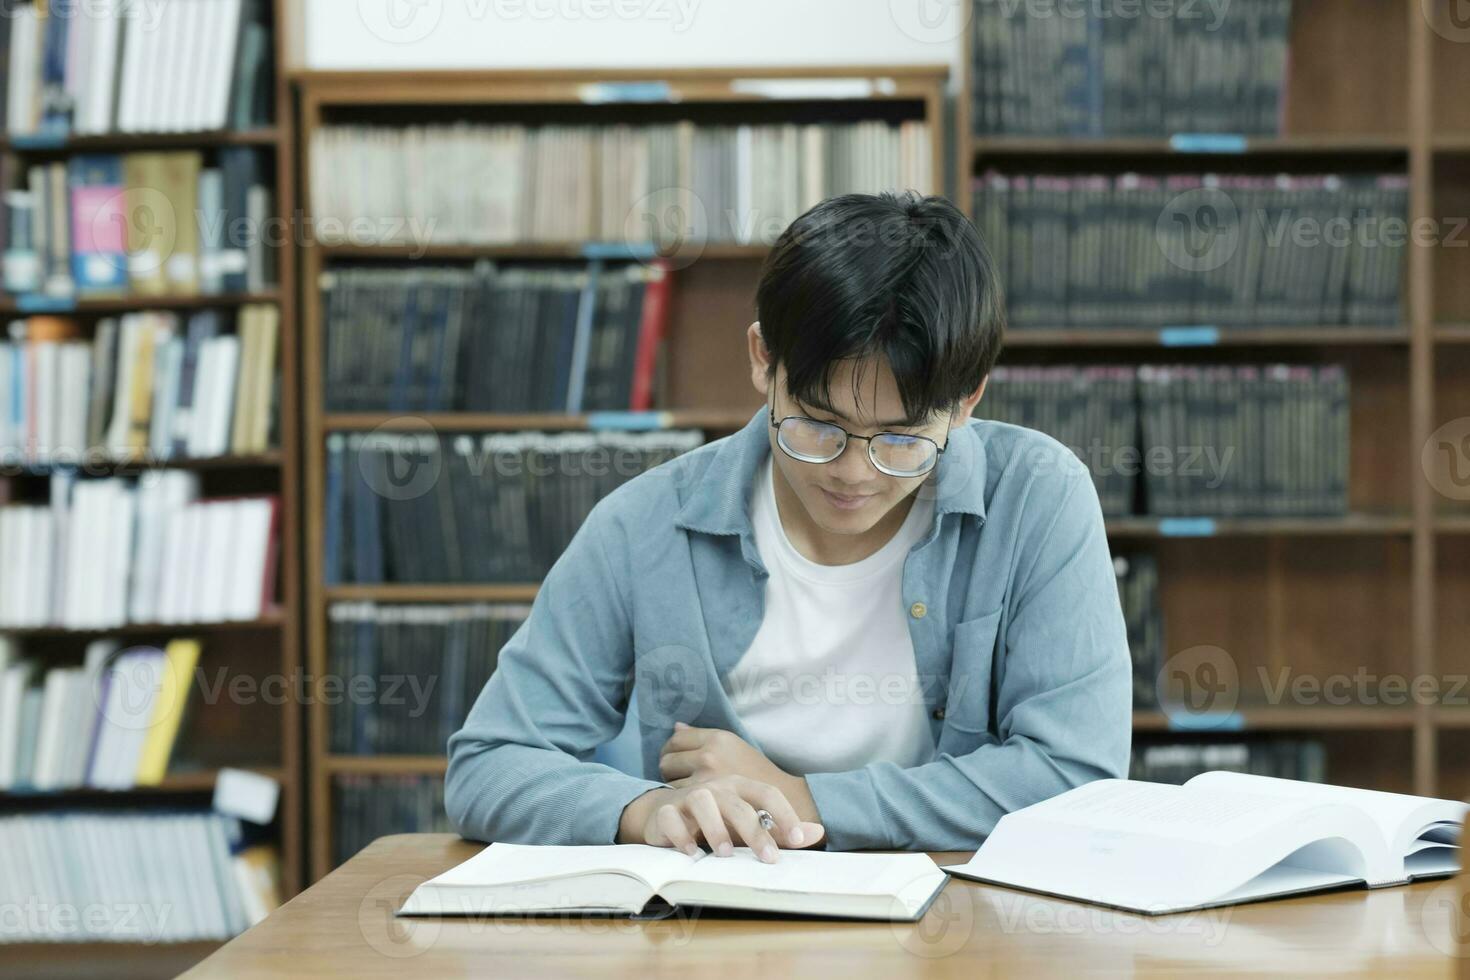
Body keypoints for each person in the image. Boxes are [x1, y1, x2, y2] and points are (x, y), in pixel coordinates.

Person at [446, 191, 1130, 862]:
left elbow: (1077, 775)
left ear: (966, 401)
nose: (854, 472)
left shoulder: (1038, 496)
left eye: (899, 440)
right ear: (762, 359)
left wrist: (803, 800)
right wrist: (644, 811)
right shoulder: (646, 524)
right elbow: (490, 763)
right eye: (818, 426)